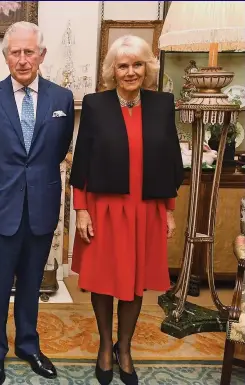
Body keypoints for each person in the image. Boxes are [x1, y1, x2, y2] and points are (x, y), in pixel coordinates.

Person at [69, 35, 184, 385]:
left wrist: (168, 210)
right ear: (112, 70)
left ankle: (125, 348)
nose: (130, 72)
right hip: (105, 209)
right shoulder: (95, 104)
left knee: (135, 284)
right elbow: (82, 164)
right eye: (123, 65)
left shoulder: (163, 104)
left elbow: (168, 161)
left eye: (137, 64)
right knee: (104, 281)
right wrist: (81, 211)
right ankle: (105, 347)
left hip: (145, 207)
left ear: (147, 67)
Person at [0, 21, 75, 385]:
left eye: (28, 51)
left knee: (32, 284)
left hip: (41, 206)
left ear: (41, 54)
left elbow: (58, 150)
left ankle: (28, 345)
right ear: (5, 57)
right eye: (14, 52)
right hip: (0, 207)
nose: (22, 59)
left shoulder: (62, 99)